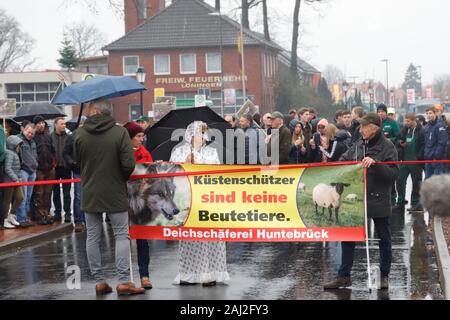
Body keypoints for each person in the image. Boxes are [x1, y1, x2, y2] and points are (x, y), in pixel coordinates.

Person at [75, 98, 144, 296]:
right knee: (121, 234)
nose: (87, 112)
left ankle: (99, 281)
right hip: (114, 190)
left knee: (93, 237)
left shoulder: (80, 134)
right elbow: (128, 163)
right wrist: (119, 177)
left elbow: (77, 160)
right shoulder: (119, 132)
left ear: (96, 111)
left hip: (90, 190)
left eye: (89, 109)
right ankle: (123, 280)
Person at [324, 113, 398, 290]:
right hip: (357, 199)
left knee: (384, 238)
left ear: (375, 128)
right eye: (360, 126)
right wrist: (340, 165)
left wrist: (376, 163)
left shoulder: (388, 147)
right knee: (348, 236)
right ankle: (344, 276)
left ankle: (384, 275)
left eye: (364, 126)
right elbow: (343, 160)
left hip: (379, 199)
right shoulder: (358, 145)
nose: (361, 129)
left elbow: (393, 175)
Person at [170, 121, 230, 286]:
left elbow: (218, 173)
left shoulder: (211, 152)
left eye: (203, 135)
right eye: (198, 134)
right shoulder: (178, 151)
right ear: (190, 135)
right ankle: (189, 274)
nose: (202, 138)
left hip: (208, 199)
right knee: (190, 237)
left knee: (210, 236)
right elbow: (170, 174)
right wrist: (185, 162)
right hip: (188, 199)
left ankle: (211, 274)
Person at [123, 122, 154, 290]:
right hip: (123, 199)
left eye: (143, 136)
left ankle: (145, 275)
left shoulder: (145, 153)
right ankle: (126, 277)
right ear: (130, 138)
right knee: (123, 239)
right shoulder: (122, 153)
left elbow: (151, 175)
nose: (141, 140)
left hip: (141, 201)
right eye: (138, 137)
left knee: (142, 239)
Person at [396, 113, 425, 212]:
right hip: (405, 160)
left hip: (416, 161)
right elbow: (398, 138)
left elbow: (423, 145)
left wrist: (419, 157)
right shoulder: (405, 128)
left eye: (408, 121)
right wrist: (400, 143)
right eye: (406, 121)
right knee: (399, 179)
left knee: (416, 182)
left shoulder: (421, 130)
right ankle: (400, 200)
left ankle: (415, 203)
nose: (406, 122)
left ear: (413, 120)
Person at [63, 116, 87, 232]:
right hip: (78, 169)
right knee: (79, 196)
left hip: (90, 169)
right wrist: (72, 163)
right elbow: (65, 153)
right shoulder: (73, 136)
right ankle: (78, 220)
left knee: (88, 195)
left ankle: (87, 219)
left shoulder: (91, 136)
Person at [32, 115, 56, 225]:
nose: (42, 125)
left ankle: (47, 213)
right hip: (39, 170)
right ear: (35, 125)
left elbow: (53, 150)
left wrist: (53, 163)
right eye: (39, 123)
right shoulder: (32, 136)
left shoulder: (48, 136)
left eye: (43, 123)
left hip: (50, 169)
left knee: (48, 193)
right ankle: (39, 215)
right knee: (39, 193)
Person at [16, 123, 38, 228]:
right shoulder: (18, 140)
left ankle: (25, 217)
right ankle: (21, 218)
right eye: (28, 132)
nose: (30, 134)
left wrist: (36, 163)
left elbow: (35, 155)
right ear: (24, 130)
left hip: (32, 171)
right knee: (23, 197)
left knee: (28, 196)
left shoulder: (33, 142)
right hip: (23, 171)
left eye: (32, 133)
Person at [51, 117, 72, 223]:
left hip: (66, 168)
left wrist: (70, 163)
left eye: (65, 124)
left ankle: (68, 213)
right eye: (62, 124)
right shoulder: (50, 137)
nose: (64, 126)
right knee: (55, 193)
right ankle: (57, 213)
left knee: (67, 193)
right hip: (54, 168)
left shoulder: (69, 137)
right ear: (56, 125)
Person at [2, 136, 24, 229]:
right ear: (13, 145)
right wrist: (16, 179)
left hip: (14, 181)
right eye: (18, 145)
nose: (19, 146)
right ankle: (5, 219)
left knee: (20, 197)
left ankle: (11, 215)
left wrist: (17, 178)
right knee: (7, 201)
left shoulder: (14, 153)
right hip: (9, 181)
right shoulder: (9, 153)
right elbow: (8, 168)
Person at [423, 106, 448, 178]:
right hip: (428, 159)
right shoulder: (427, 127)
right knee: (428, 181)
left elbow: (442, 143)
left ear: (435, 114)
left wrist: (436, 157)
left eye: (430, 113)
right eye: (427, 113)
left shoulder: (440, 125)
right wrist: (426, 155)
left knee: (438, 182)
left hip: (437, 160)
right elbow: (426, 143)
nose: (428, 115)